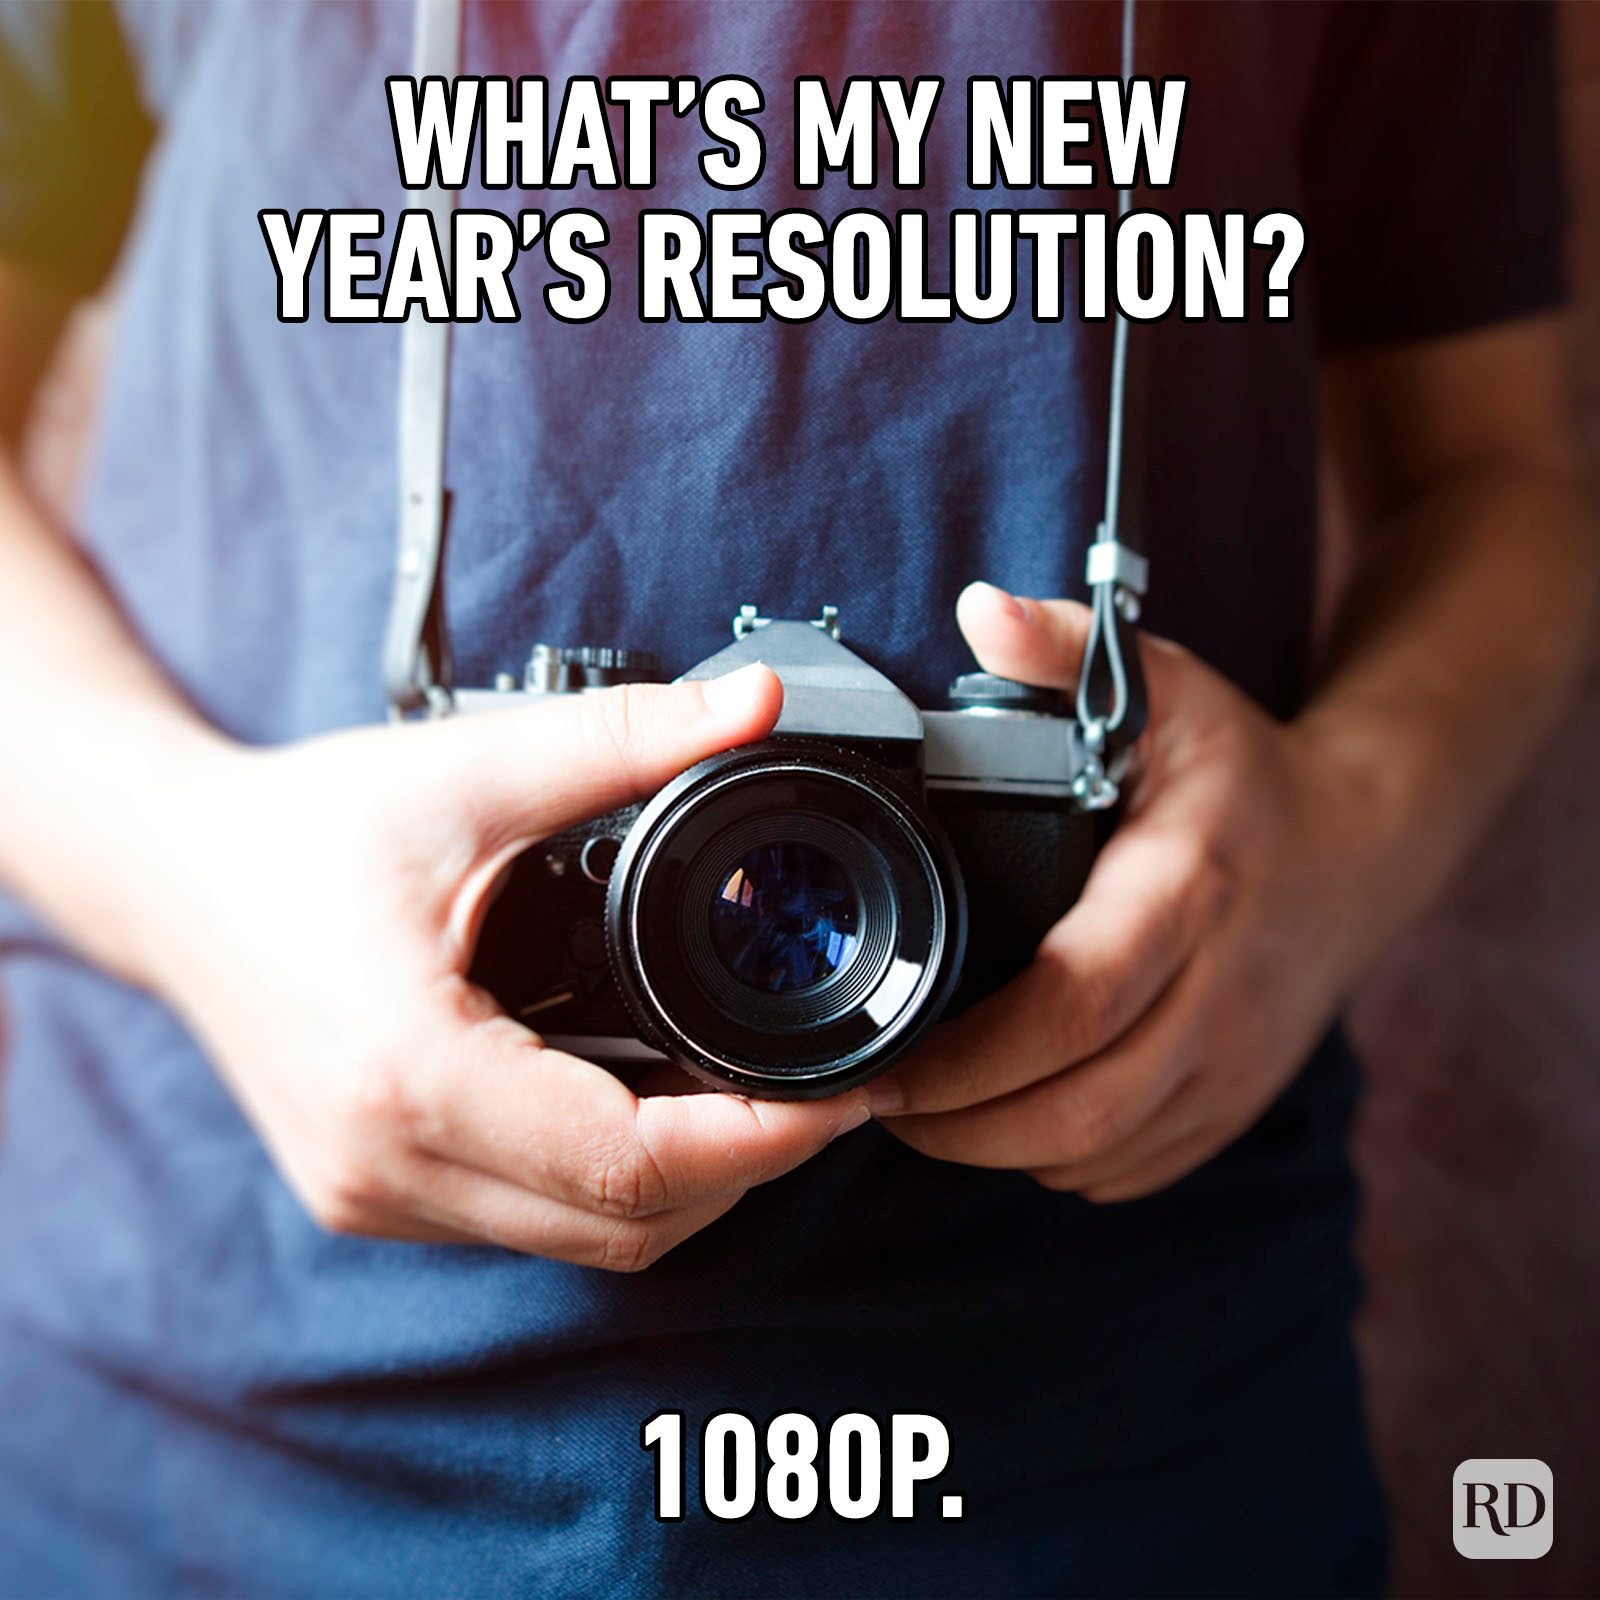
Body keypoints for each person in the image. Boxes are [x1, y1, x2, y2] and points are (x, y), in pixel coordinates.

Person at [0, 2, 1592, 1595]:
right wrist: (193, 879)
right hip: (204, 1407)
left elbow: (1496, 478)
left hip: (1117, 1413)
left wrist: (1343, 831)